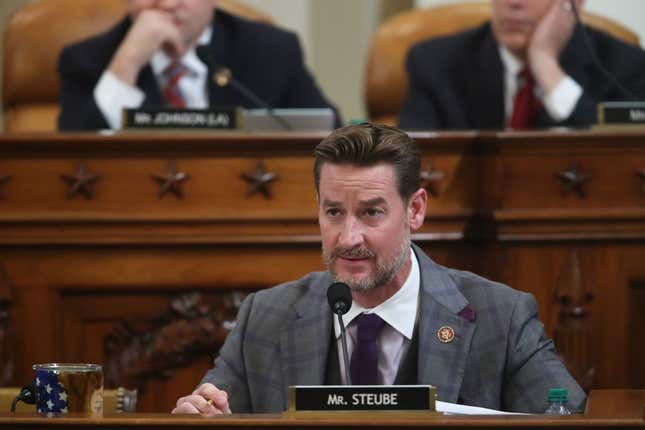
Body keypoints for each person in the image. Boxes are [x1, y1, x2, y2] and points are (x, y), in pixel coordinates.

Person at [171, 123, 586, 415]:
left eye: (371, 213)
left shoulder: (502, 317)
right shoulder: (266, 316)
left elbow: (571, 417)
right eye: (334, 212)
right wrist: (200, 415)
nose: (348, 237)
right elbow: (212, 409)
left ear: (415, 209)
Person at [58, 0, 340, 131]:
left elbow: (331, 138)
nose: (167, 4)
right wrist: (127, 63)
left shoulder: (271, 51)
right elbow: (68, 167)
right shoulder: (87, 60)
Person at [398, 0, 645, 130]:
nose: (513, 2)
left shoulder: (624, 66)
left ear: (574, 3)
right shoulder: (435, 63)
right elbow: (409, 171)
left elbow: (617, 165)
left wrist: (546, 66)